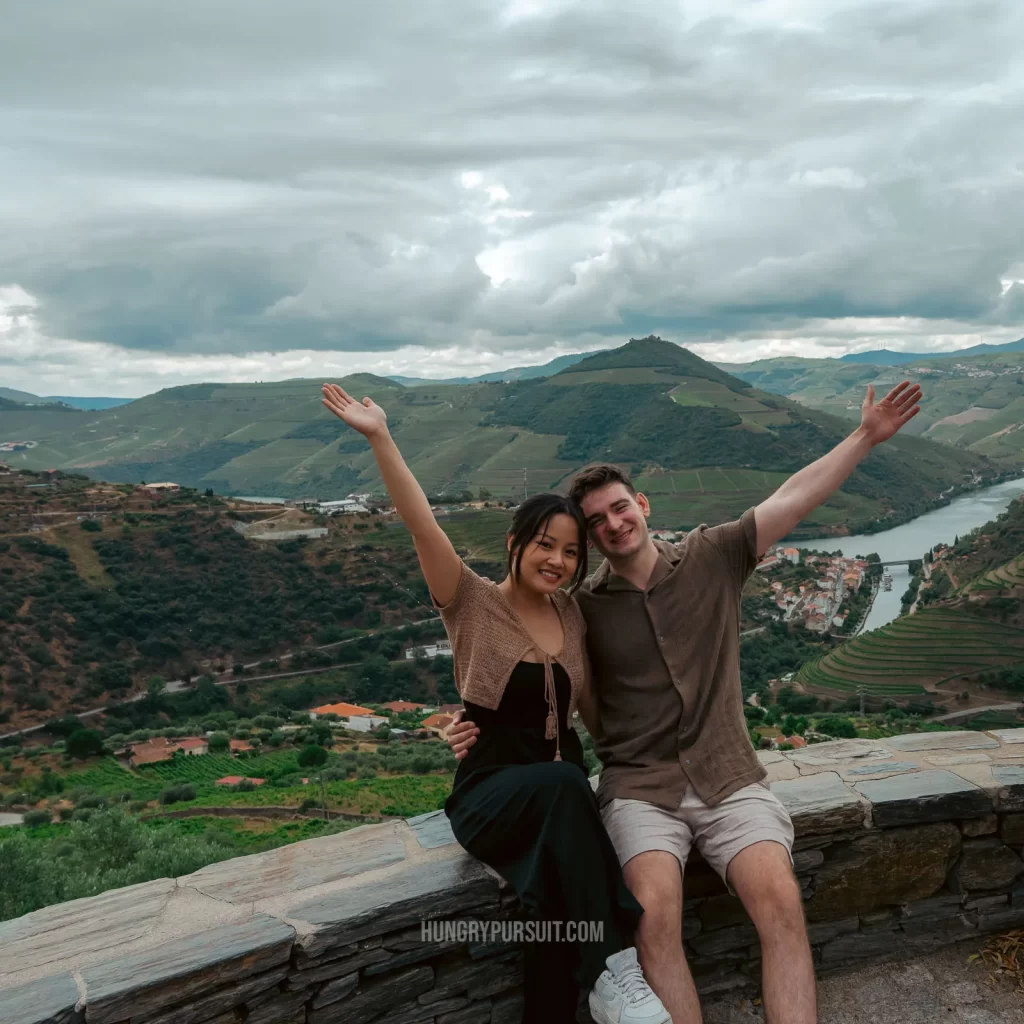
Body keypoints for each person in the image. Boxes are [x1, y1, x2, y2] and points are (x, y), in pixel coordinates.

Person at [447, 380, 924, 1024]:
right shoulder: (580, 609)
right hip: (640, 789)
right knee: (653, 917)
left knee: (781, 903)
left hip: (730, 776)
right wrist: (471, 722)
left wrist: (864, 436)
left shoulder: (714, 556)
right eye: (595, 523)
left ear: (642, 505)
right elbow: (528, 666)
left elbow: (793, 497)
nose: (612, 525)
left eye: (619, 508)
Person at [320, 382, 672, 1024]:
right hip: (491, 793)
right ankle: (615, 968)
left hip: (558, 794)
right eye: (546, 544)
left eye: (571, 551)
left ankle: (565, 1006)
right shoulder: (471, 602)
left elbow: (588, 707)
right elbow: (420, 521)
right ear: (515, 540)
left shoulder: (571, 614)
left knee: (552, 902)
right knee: (568, 783)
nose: (559, 561)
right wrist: (381, 436)